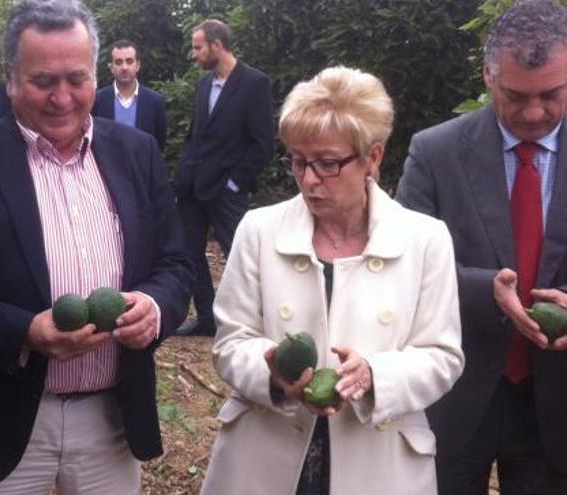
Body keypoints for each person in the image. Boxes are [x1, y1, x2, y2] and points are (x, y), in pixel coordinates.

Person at [0, 0, 192, 493]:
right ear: (10, 78)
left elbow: (176, 263)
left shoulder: (136, 154)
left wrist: (156, 307)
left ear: (95, 74)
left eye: (76, 79)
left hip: (111, 421)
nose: (62, 98)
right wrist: (23, 332)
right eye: (42, 81)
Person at [200, 66, 464, 495]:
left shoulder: (424, 239)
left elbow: (442, 356)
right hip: (263, 459)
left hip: (378, 463)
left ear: (372, 158)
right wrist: (274, 375)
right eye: (298, 161)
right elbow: (229, 342)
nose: (308, 180)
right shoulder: (259, 229)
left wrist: (375, 375)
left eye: (326, 164)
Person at [396, 1, 567, 493]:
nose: (534, 112)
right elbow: (405, 261)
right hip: (458, 391)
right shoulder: (436, 151)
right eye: (515, 95)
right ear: (487, 76)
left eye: (552, 94)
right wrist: (482, 288)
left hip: (556, 406)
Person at [174, 19, 275, 337]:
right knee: (190, 254)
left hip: (226, 191)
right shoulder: (204, 84)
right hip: (193, 189)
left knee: (240, 255)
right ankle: (207, 319)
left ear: (217, 45)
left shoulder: (254, 83)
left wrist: (235, 183)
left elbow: (262, 144)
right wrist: (181, 178)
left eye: (198, 46)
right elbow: (195, 136)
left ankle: (254, 321)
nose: (195, 53)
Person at [91, 39, 167, 152]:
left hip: (142, 168)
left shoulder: (155, 102)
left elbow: (159, 145)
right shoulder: (97, 100)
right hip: (106, 168)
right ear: (111, 67)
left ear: (138, 65)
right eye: (118, 62)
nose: (124, 67)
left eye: (129, 61)